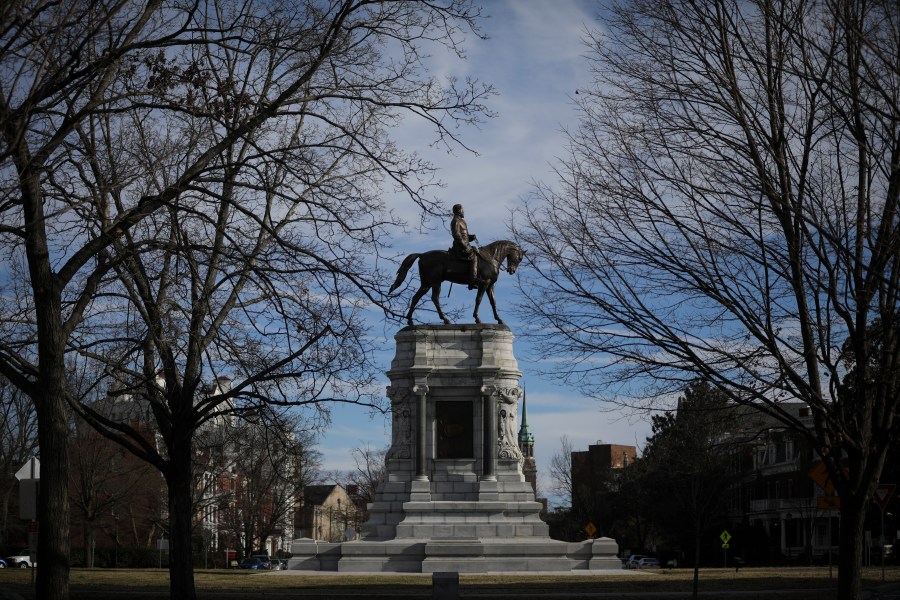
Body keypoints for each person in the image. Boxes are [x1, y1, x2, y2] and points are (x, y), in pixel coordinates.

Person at [450, 203, 484, 289]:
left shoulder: (462, 221)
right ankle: (473, 279)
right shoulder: (455, 221)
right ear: (459, 210)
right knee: (474, 254)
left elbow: (465, 236)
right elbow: (457, 235)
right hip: (460, 246)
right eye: (462, 210)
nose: (463, 212)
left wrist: (471, 237)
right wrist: (466, 247)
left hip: (465, 244)